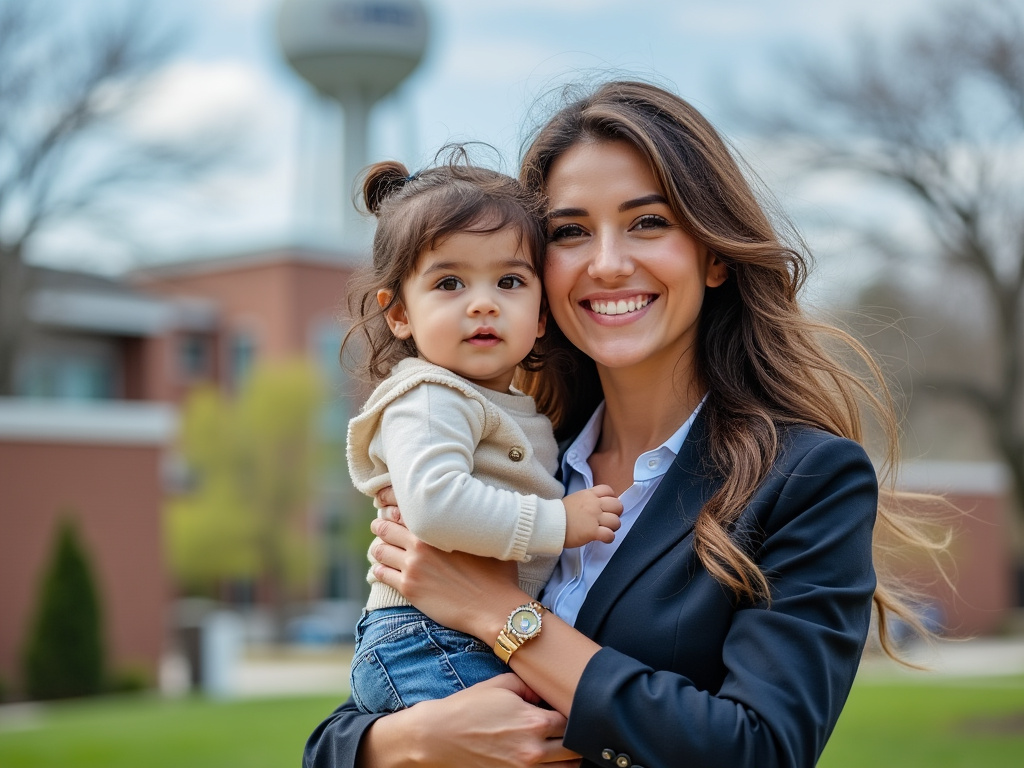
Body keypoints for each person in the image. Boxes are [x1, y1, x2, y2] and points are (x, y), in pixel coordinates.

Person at [304, 80, 946, 768]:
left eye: (647, 222)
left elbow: (760, 749)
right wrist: (410, 742)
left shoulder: (806, 480)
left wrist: (502, 617)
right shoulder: (516, 454)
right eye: (571, 232)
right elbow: (343, 735)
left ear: (715, 254)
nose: (608, 264)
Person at [342, 155, 624, 714]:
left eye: (510, 281)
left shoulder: (509, 404)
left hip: (463, 631)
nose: (482, 302)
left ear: (541, 313)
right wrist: (559, 522)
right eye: (449, 282)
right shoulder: (429, 397)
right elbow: (435, 505)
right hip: (424, 637)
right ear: (398, 313)